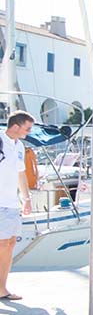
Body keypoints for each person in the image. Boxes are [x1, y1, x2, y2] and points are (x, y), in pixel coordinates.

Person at [0, 110, 34, 302]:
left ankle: (1, 289)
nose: (29, 132)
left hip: (12, 204)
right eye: (27, 128)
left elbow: (21, 173)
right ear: (15, 126)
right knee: (2, 244)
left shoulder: (19, 146)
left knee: (10, 244)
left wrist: (26, 198)